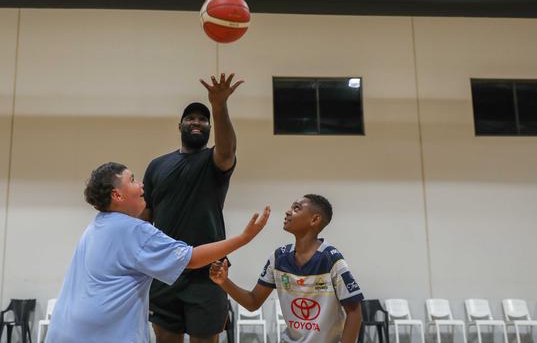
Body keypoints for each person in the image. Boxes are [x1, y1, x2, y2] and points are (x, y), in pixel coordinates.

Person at [45, 162, 270, 343]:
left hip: (63, 329)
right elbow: (191, 259)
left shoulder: (96, 225)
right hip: (103, 334)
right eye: (132, 180)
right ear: (118, 195)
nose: (142, 185)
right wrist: (243, 239)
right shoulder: (133, 230)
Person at [140, 73, 243, 343]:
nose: (196, 122)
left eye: (202, 119)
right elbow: (145, 216)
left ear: (210, 127)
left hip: (208, 274)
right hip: (165, 272)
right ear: (180, 125)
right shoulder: (157, 166)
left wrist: (219, 106)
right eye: (190, 118)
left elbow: (228, 149)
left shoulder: (214, 161)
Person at [209, 194, 364, 343]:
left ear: (315, 219)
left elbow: (354, 312)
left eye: (296, 208)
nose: (288, 211)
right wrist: (223, 281)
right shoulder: (278, 258)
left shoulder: (331, 259)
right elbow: (253, 302)